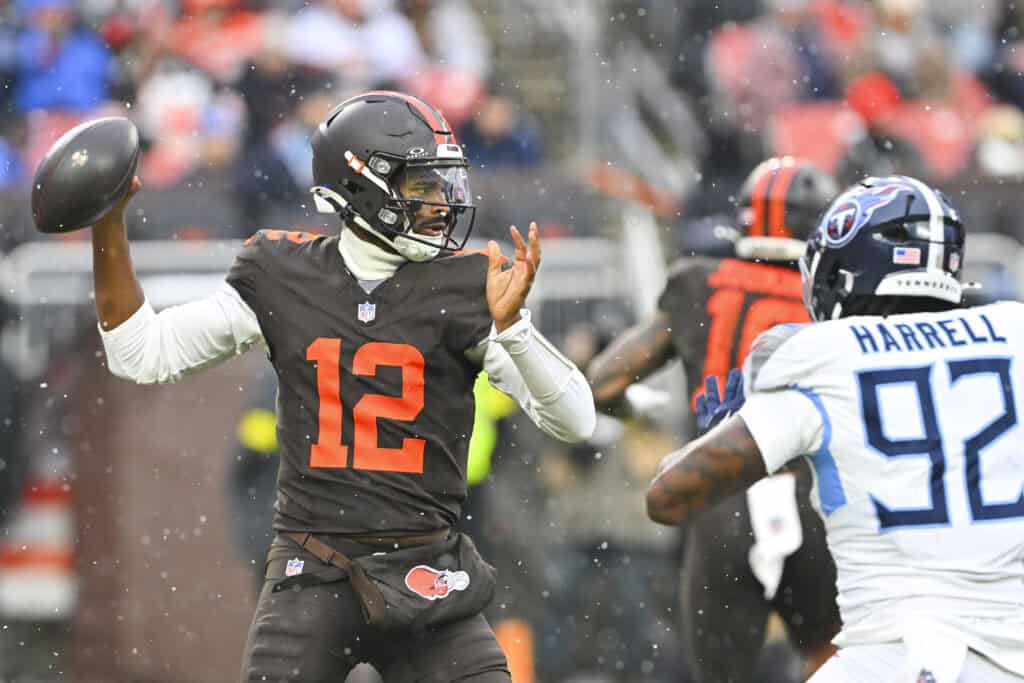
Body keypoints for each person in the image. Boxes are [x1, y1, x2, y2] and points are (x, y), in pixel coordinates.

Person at [88, 90, 595, 682]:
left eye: (442, 186)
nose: (441, 205)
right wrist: (108, 225)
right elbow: (140, 355)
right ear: (362, 187)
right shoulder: (282, 274)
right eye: (420, 187)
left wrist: (514, 330)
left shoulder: (468, 287)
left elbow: (576, 420)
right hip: (313, 566)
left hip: (428, 566)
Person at [647, 175, 1024, 682]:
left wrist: (718, 432)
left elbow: (667, 497)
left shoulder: (820, 354)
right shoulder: (1013, 333)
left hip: (893, 658)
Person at [588, 156, 841, 682]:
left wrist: (638, 412)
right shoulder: (836, 299)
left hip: (719, 497)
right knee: (839, 665)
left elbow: (604, 383)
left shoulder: (699, 283)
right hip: (815, 500)